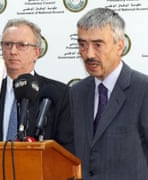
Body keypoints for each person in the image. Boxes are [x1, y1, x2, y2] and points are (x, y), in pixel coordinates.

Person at [0, 18, 73, 153]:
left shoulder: (58, 93)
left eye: (22, 45)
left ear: (37, 52)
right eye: (7, 44)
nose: (13, 51)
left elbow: (67, 150)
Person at [70, 7, 148, 179]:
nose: (89, 54)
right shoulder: (75, 93)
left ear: (119, 46)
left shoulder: (143, 90)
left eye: (98, 45)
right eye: (82, 44)